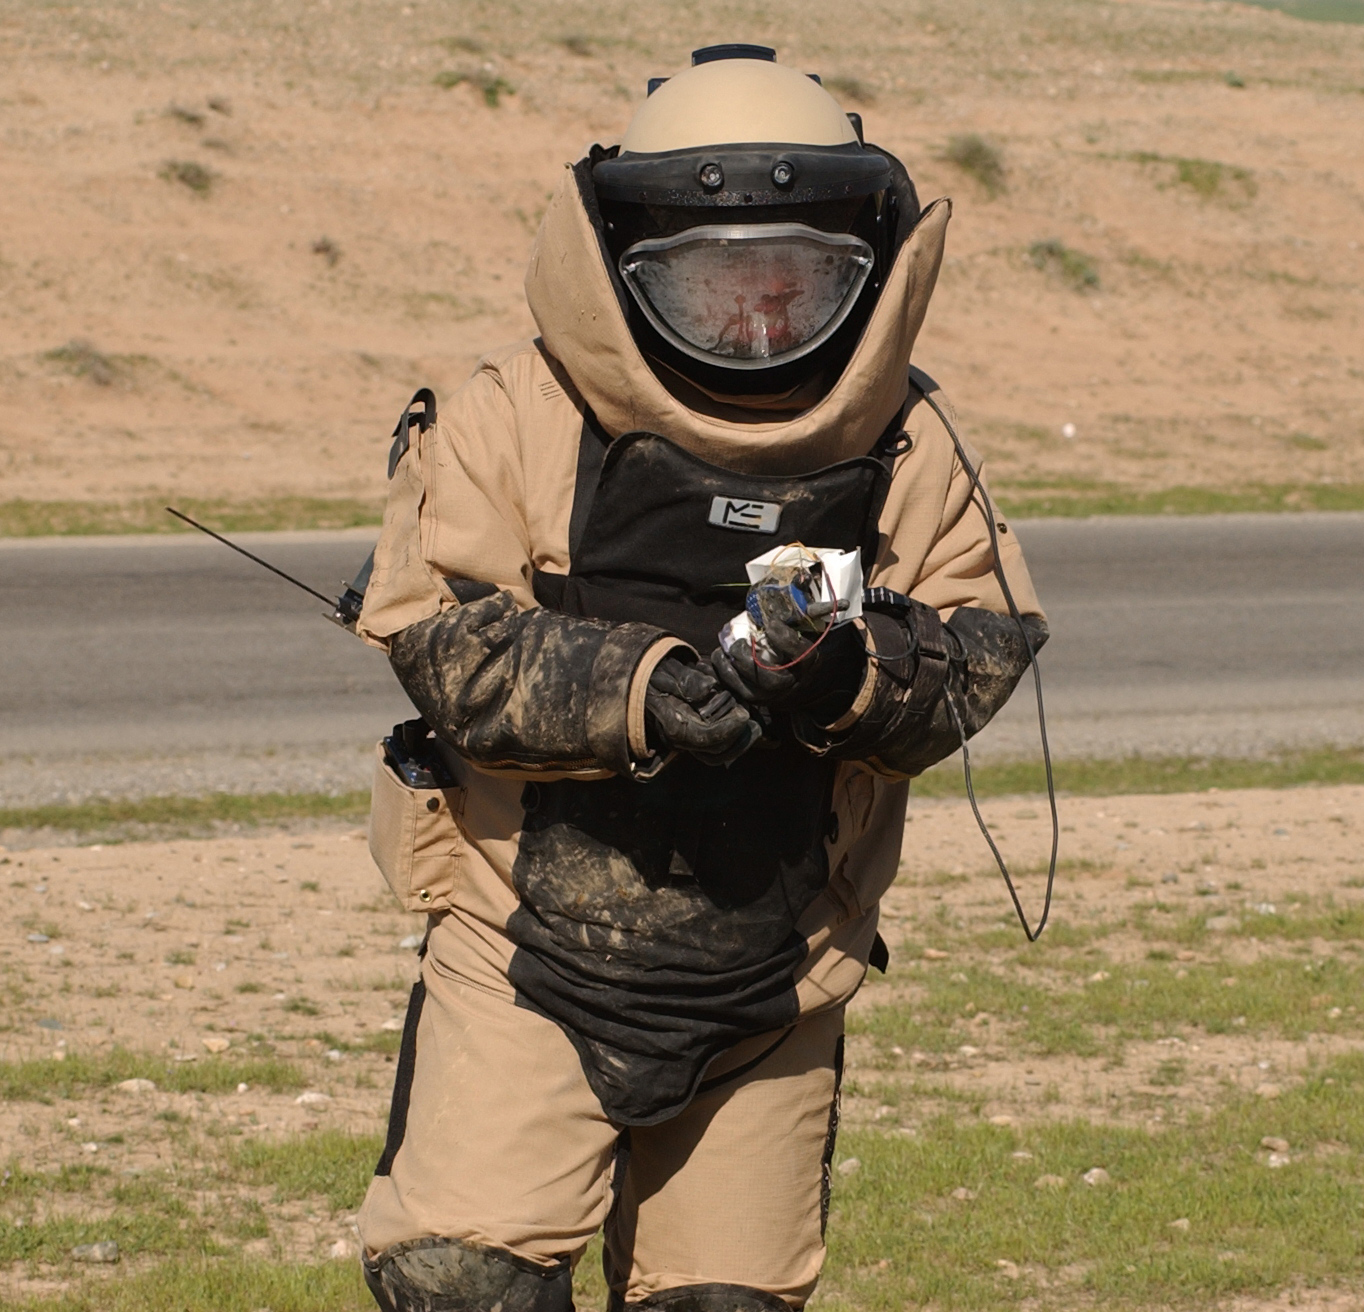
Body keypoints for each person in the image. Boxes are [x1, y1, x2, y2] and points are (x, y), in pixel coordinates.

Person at [351, 43, 1047, 1312]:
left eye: (792, 287)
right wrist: (646, 689)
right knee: (461, 1281)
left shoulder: (909, 440)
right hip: (525, 953)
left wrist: (848, 674)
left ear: (862, 268)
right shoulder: (513, 412)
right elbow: (438, 643)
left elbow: (979, 652)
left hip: (776, 973)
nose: (758, 324)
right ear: (627, 268)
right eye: (715, 291)